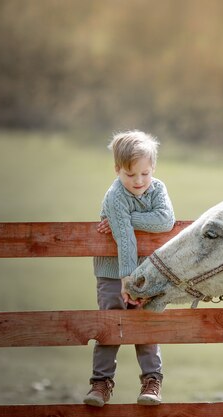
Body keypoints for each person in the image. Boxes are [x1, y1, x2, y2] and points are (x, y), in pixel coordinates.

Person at [84, 130, 175, 407]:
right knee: (111, 325)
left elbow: (165, 220)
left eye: (145, 174)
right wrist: (126, 280)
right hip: (114, 273)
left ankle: (151, 380)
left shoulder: (158, 189)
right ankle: (101, 383)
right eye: (130, 174)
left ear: (153, 169)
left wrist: (126, 218)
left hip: (147, 272)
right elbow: (124, 240)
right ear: (117, 170)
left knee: (146, 321)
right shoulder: (115, 196)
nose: (138, 181)